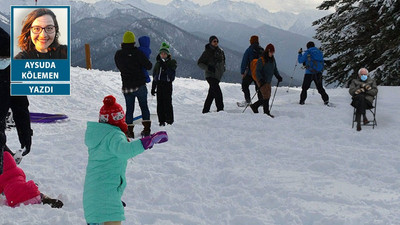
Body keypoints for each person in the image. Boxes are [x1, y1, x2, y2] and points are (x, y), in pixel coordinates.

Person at [83, 95, 168, 225]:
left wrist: (114, 197)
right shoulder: (114, 134)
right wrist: (147, 141)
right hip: (106, 199)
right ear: (119, 118)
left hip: (92, 199)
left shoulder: (99, 137)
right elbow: (125, 150)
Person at [0, 27, 32, 175]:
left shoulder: (11, 70)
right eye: (1, 59)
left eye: (7, 58)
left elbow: (20, 104)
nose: (4, 62)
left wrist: (25, 134)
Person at [114, 31, 153, 138]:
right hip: (139, 85)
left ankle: (129, 132)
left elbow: (119, 67)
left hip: (126, 87)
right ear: (133, 41)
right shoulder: (138, 53)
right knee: (144, 107)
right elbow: (149, 66)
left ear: (124, 41)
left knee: (129, 109)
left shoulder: (118, 54)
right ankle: (146, 130)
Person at [250, 43, 282, 117]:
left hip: (268, 80)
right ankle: (266, 112)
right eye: (271, 52)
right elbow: (257, 71)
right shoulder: (261, 60)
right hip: (262, 80)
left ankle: (255, 106)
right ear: (267, 51)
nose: (272, 54)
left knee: (267, 96)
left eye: (273, 52)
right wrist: (260, 80)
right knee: (265, 96)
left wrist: (278, 76)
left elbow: (275, 69)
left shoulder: (272, 60)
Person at [197, 35, 226, 113]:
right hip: (210, 75)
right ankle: (220, 110)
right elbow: (199, 63)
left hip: (217, 76)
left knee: (211, 94)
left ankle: (205, 110)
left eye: (216, 41)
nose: (216, 42)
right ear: (211, 42)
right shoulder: (207, 52)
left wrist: (223, 69)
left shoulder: (220, 51)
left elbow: (223, 61)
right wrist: (208, 68)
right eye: (214, 41)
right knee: (218, 93)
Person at [151, 42, 177, 126]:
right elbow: (155, 76)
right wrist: (153, 87)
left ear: (168, 54)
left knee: (167, 102)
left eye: (165, 53)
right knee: (160, 103)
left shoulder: (171, 63)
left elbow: (172, 77)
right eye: (162, 53)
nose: (163, 55)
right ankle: (161, 120)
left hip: (167, 85)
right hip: (159, 85)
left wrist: (166, 69)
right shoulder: (158, 64)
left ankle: (169, 120)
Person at [297, 41, 329, 105]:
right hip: (318, 72)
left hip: (309, 72)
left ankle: (302, 101)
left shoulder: (308, 52)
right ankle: (326, 100)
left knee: (305, 88)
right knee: (320, 87)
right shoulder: (319, 52)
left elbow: (300, 61)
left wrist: (300, 53)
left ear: (307, 46)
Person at [239, 35, 264, 106]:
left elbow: (244, 61)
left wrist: (243, 72)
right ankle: (261, 101)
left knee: (245, 85)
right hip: (259, 73)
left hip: (250, 73)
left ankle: (248, 101)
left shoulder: (249, 50)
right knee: (258, 87)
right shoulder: (261, 50)